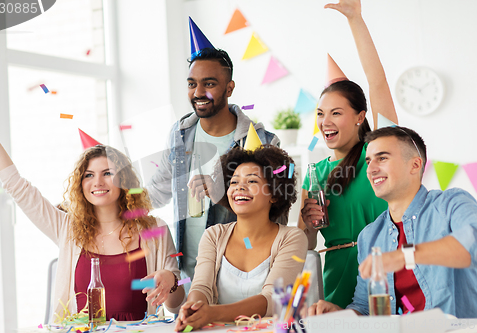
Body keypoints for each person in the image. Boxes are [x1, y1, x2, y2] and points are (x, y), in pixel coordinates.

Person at [0, 105, 185, 320]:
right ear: (80, 183)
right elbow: (16, 185)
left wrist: (171, 281)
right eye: (88, 175)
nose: (97, 182)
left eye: (107, 173)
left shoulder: (155, 229)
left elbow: (176, 304)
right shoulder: (67, 228)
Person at [309, 126, 477, 318]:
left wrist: (403, 256)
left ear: (415, 165)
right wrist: (338, 314)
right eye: (368, 161)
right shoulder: (369, 236)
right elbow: (364, 306)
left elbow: (471, 245)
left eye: (382, 158)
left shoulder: (452, 204)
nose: (371, 169)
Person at [146, 47, 280, 286]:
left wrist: (223, 193)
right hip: (188, 280)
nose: (198, 92)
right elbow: (157, 192)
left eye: (208, 84)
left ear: (229, 88)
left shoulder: (263, 142)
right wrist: (99, 203)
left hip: (242, 280)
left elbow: (278, 215)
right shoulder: (180, 135)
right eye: (191, 84)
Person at [298, 0, 398, 309]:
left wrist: (356, 20)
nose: (325, 122)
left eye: (336, 113)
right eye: (320, 114)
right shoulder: (315, 173)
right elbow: (305, 246)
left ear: (359, 116)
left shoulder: (377, 153)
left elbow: (377, 81)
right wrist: (308, 225)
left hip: (385, 271)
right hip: (336, 282)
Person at [174, 145, 307, 331]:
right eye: (234, 182)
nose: (240, 188)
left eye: (252, 181)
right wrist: (193, 308)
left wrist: (211, 313)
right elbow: (201, 287)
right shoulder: (213, 235)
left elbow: (272, 300)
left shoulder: (291, 238)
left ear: (274, 194)